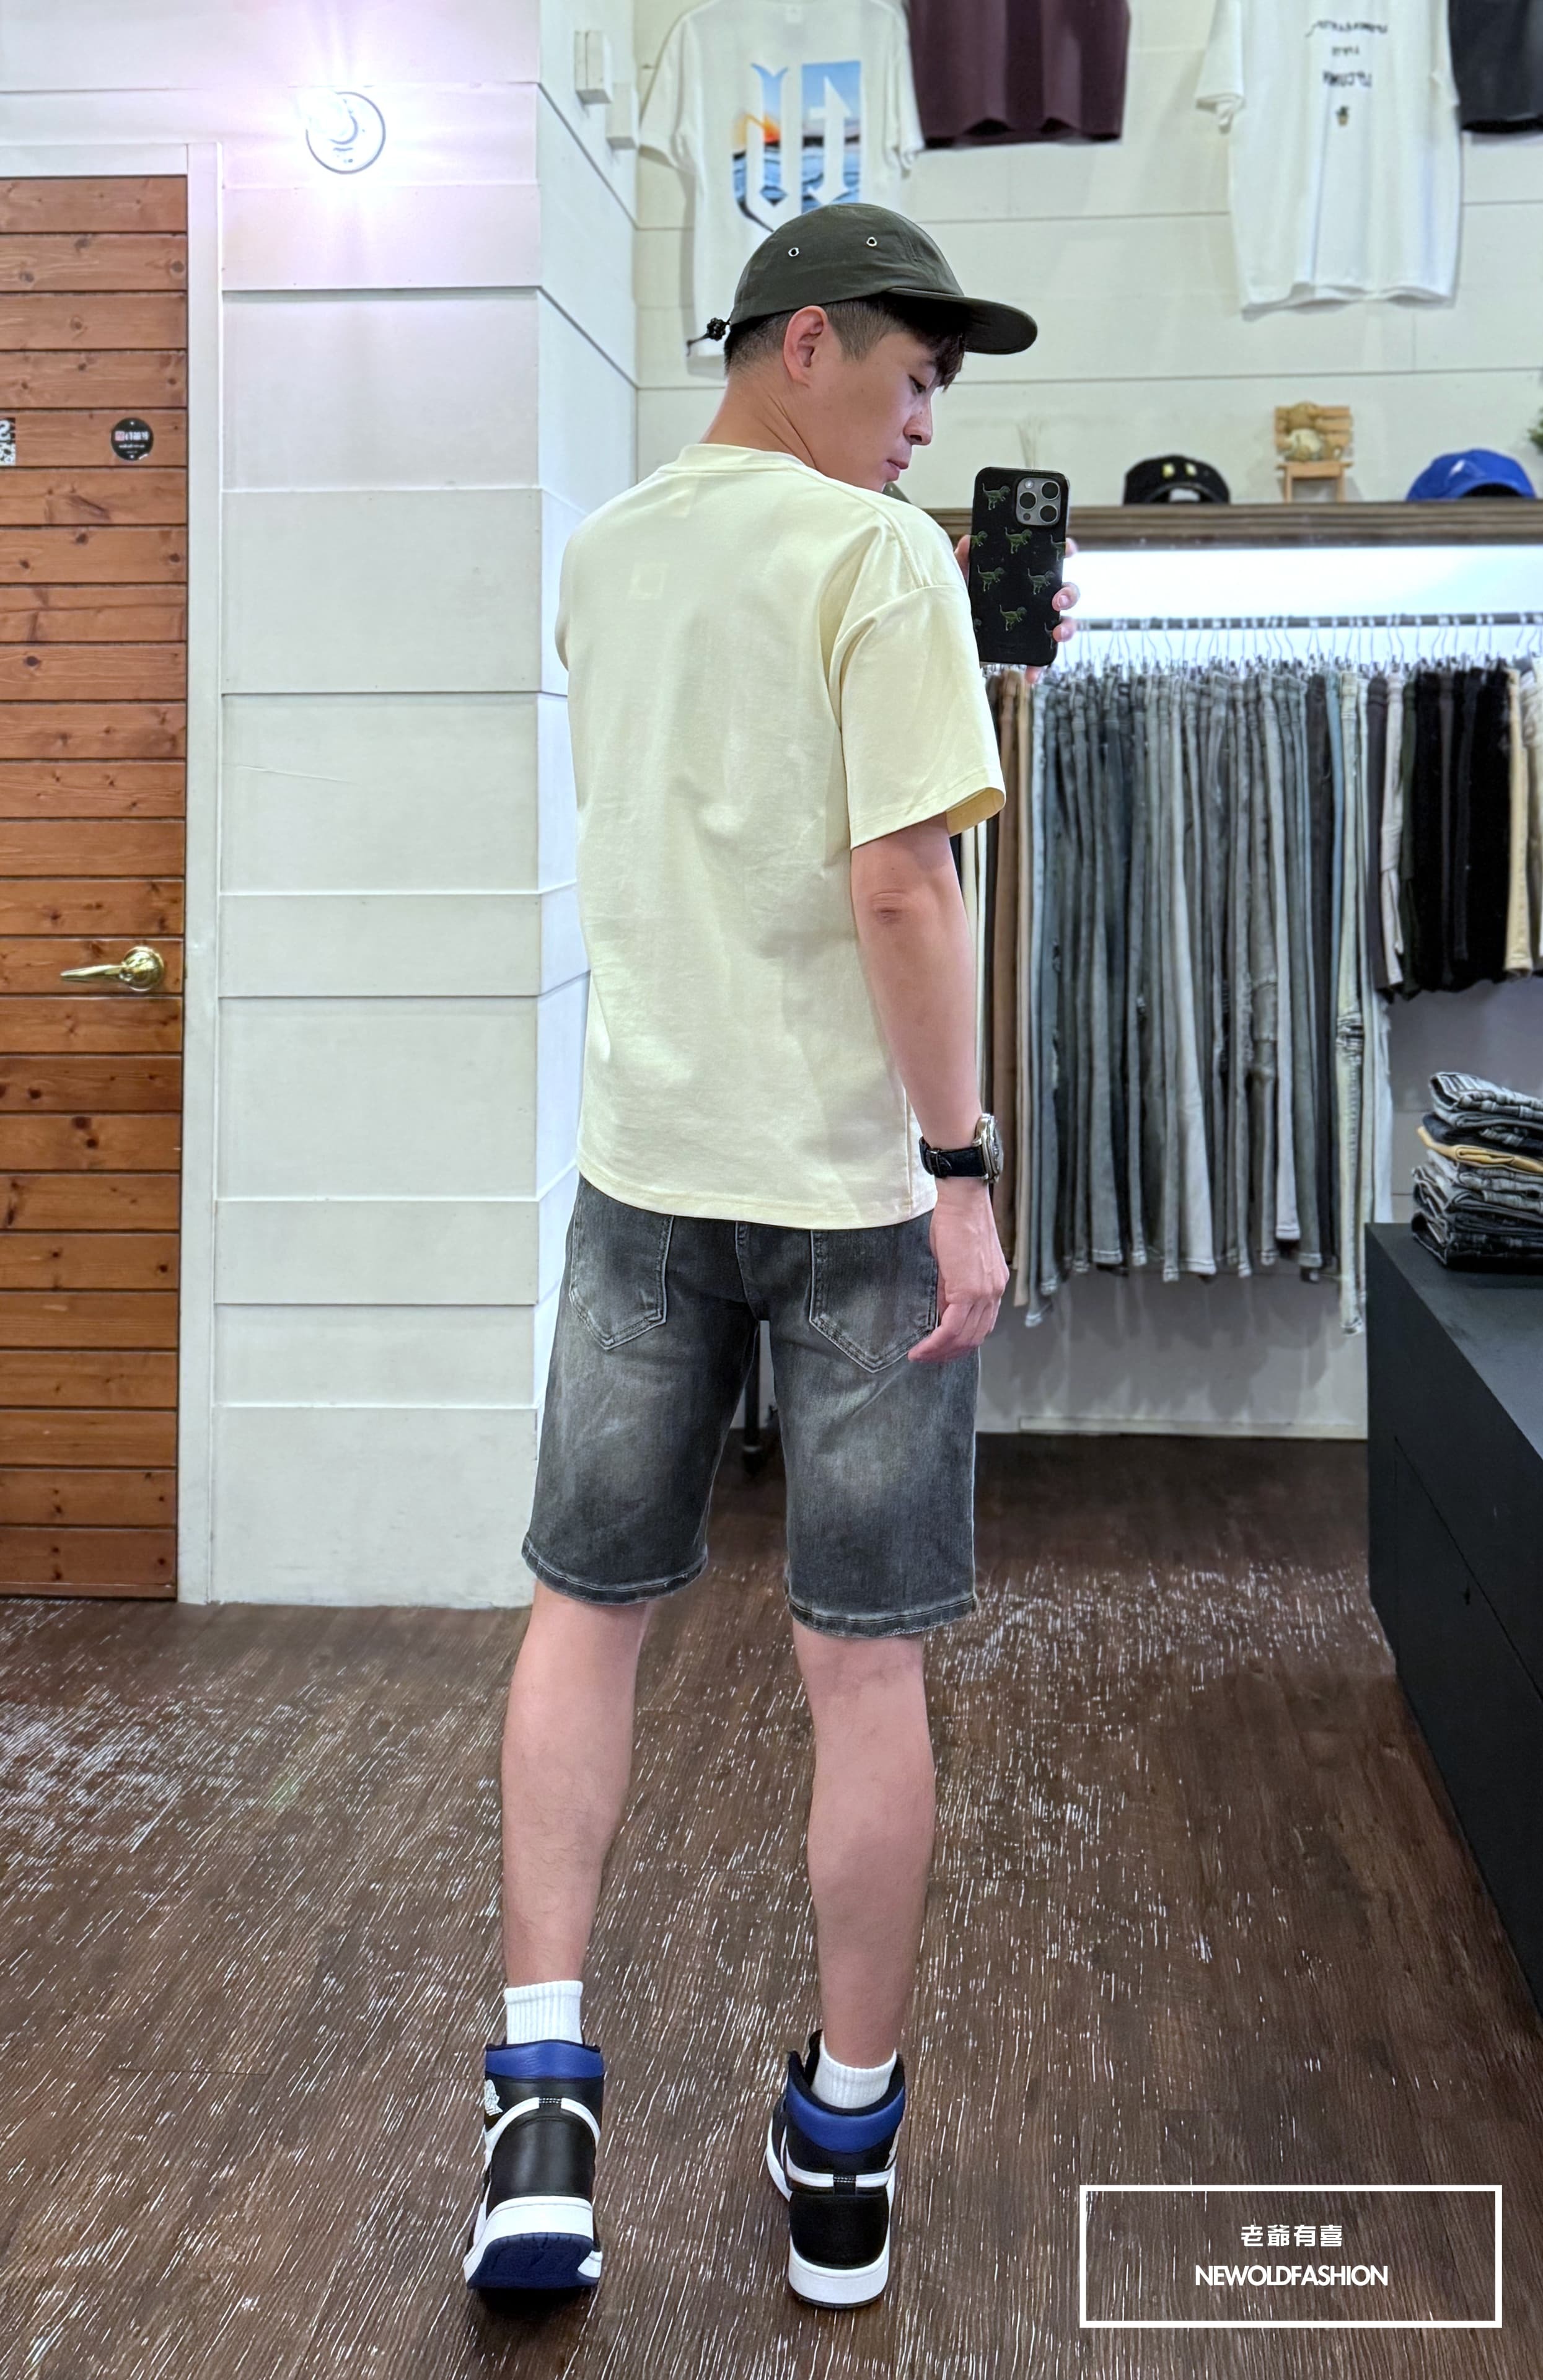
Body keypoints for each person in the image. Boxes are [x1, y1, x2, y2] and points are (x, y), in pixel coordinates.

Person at [463, 201, 1078, 2310]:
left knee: (584, 1613)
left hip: (643, 1170)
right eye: (912, 375)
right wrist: (961, 1166)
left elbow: (692, 823)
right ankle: (843, 2151)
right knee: (863, 1664)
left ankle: (539, 2119)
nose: (926, 422)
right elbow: (901, 888)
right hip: (847, 1197)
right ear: (801, 341)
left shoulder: (609, 550)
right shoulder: (875, 560)